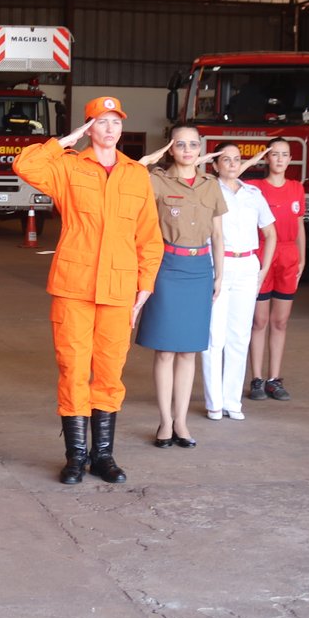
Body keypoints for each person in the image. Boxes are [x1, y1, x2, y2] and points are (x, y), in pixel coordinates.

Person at [13, 96, 162, 484]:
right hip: (73, 287)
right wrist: (65, 140)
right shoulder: (67, 167)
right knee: (73, 369)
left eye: (116, 121)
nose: (110, 129)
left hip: (119, 289)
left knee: (110, 373)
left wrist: (145, 287)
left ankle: (104, 456)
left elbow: (149, 237)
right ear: (88, 128)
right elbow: (24, 164)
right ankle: (76, 456)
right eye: (101, 121)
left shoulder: (135, 174)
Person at [135, 124, 226, 449]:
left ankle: (182, 423)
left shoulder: (210, 185)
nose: (188, 150)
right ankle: (164, 422)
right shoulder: (156, 181)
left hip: (199, 269)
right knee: (165, 351)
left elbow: (217, 234)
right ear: (170, 149)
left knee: (189, 351)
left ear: (201, 148)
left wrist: (219, 274)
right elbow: (131, 179)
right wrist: (150, 159)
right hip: (166, 268)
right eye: (180, 144)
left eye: (193, 144)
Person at [201, 144, 275, 421]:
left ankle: (233, 401)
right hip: (217, 264)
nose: (232, 164)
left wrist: (263, 270)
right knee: (214, 336)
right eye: (225, 159)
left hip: (247, 266)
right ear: (215, 165)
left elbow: (270, 232)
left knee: (239, 336)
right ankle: (214, 403)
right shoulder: (208, 190)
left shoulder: (253, 194)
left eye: (236, 159)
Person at [246, 138, 306, 401]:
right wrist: (252, 159)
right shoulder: (254, 188)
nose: (280, 159)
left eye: (285, 155)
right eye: (275, 154)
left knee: (280, 322)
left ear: (290, 158)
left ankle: (274, 379)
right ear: (266, 158)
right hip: (262, 253)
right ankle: (257, 379)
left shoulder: (296, 188)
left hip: (289, 254)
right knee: (259, 321)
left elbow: (300, 224)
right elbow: (230, 175)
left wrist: (302, 258)